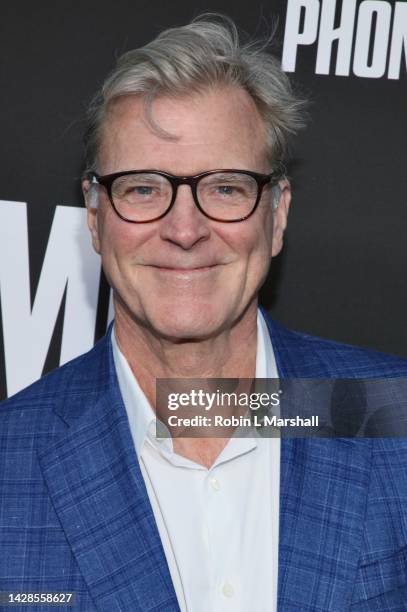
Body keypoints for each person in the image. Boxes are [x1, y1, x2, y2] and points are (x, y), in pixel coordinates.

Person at [1, 15, 407, 612]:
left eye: (225, 187)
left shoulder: (394, 419)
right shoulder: (9, 462)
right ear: (93, 215)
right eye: (142, 188)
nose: (185, 230)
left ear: (277, 213)